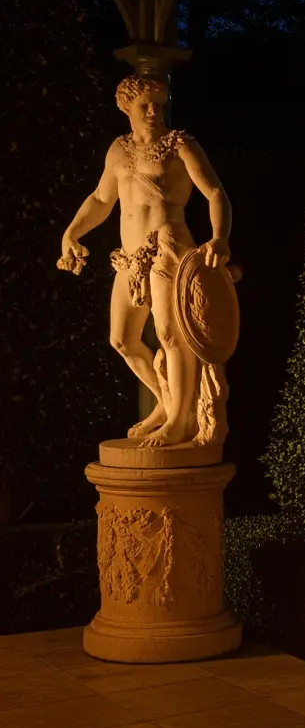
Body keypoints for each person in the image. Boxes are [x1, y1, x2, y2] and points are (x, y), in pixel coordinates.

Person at [58, 73, 234, 450]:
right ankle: (169, 403)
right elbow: (102, 200)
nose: (154, 110)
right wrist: (71, 232)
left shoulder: (180, 144)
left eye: (159, 102)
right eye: (144, 105)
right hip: (130, 257)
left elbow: (215, 192)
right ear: (126, 107)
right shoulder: (118, 150)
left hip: (169, 247)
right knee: (122, 339)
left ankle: (180, 422)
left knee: (172, 335)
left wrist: (220, 237)